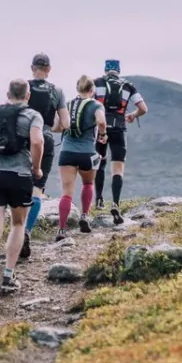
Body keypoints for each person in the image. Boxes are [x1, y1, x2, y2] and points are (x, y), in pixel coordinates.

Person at [0, 79, 44, 295]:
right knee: (17, 225)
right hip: (20, 174)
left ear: (8, 93)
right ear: (28, 95)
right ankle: (8, 276)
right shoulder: (33, 116)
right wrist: (37, 167)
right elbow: (37, 141)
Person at [22, 53, 68, 258]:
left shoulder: (24, 88)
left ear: (32, 68)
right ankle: (26, 231)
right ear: (49, 69)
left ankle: (16, 229)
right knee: (37, 188)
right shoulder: (57, 91)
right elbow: (65, 124)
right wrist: (51, 127)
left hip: (23, 139)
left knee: (19, 183)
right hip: (46, 138)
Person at [93, 59, 148, 224]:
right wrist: (132, 115)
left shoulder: (97, 83)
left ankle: (99, 200)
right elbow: (143, 108)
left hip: (101, 128)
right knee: (118, 168)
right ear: (118, 70)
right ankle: (116, 203)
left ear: (105, 70)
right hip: (119, 128)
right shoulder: (128, 85)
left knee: (100, 163)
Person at [54, 75, 107, 241]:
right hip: (87, 153)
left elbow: (57, 127)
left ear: (78, 88)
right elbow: (101, 122)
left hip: (67, 153)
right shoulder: (96, 104)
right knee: (88, 183)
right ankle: (84, 216)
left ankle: (61, 229)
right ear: (92, 90)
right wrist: (103, 135)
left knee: (66, 193)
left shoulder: (67, 105)